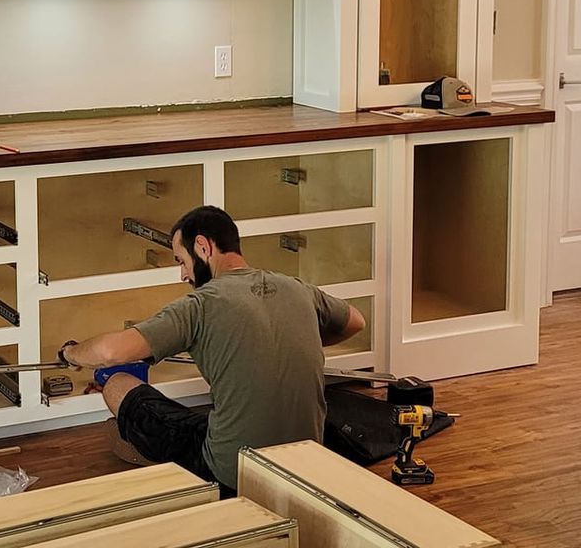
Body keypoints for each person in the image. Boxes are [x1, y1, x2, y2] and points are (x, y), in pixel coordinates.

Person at [58, 205, 366, 493]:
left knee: (117, 383)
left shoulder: (201, 304)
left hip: (233, 473)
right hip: (307, 465)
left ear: (203, 247)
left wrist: (70, 353)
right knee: (219, 414)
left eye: (181, 260)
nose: (183, 274)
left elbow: (112, 352)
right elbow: (355, 321)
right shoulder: (297, 288)